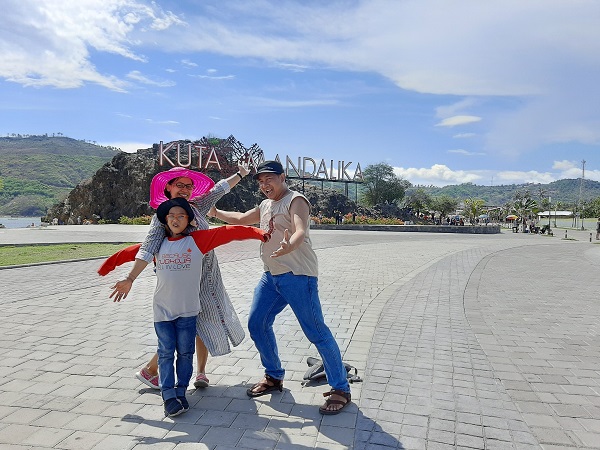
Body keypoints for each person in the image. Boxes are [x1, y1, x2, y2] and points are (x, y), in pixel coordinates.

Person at [208, 160, 352, 415]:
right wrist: (216, 213)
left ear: (282, 177)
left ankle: (341, 388)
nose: (265, 185)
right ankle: (274, 376)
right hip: (271, 277)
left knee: (316, 331)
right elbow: (242, 219)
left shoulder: (295, 200)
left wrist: (290, 246)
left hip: (298, 276)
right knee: (257, 323)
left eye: (269, 179)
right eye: (261, 181)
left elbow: (299, 229)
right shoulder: (266, 204)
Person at [104, 197, 268, 416]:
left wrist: (259, 234)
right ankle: (168, 396)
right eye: (171, 216)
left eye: (181, 216)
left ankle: (181, 392)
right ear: (164, 221)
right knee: (165, 353)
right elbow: (131, 252)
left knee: (184, 353)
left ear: (190, 222)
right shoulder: (157, 244)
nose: (175, 219)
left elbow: (229, 232)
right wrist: (115, 271)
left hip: (188, 313)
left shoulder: (198, 240)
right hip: (162, 311)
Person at [109, 163, 250, 390]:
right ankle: (151, 370)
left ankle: (201, 372)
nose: (185, 189)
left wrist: (241, 174)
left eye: (189, 186)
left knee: (202, 322)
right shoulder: (163, 215)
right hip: (184, 280)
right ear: (169, 187)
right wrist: (130, 278)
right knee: (184, 325)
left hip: (207, 276)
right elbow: (148, 248)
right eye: (179, 185)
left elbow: (220, 189)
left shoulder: (197, 206)